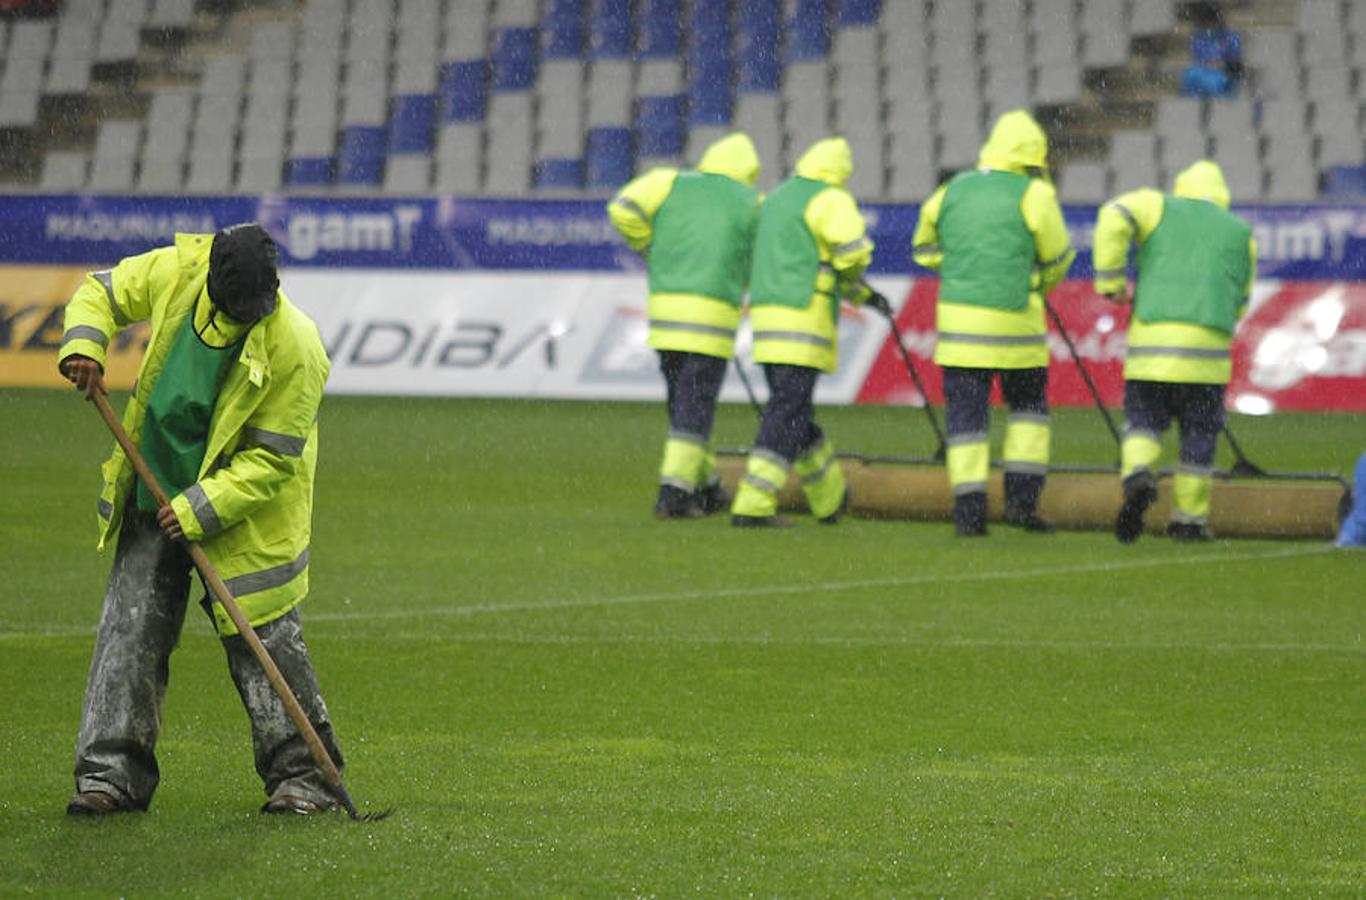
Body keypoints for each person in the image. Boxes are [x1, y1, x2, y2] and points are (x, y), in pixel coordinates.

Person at [58, 223, 344, 815]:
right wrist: (84, 345)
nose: (247, 317)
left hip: (243, 514)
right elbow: (101, 291)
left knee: (265, 643)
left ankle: (306, 780)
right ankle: (111, 777)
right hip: (152, 488)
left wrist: (196, 509)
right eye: (236, 307)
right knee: (130, 632)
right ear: (211, 280)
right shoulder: (176, 271)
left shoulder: (297, 345)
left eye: (256, 307)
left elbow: (272, 461)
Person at [911, 110, 1076, 537]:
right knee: (1027, 413)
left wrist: (962, 268)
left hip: (960, 334)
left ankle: (969, 513)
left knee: (966, 423)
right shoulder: (1035, 194)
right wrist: (1034, 281)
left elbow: (923, 247)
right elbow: (1059, 257)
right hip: (1017, 330)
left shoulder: (952, 189)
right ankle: (1022, 504)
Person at [1093, 160, 1257, 543]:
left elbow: (1113, 214)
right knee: (1199, 437)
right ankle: (1188, 522)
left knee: (1143, 424)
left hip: (1152, 353)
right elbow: (1241, 300)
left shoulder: (1157, 206)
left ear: (1181, 187)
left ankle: (1137, 476)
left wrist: (1110, 280)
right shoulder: (1240, 232)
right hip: (1207, 359)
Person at [607, 132, 762, 519]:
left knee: (682, 404)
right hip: (712, 318)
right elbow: (763, 254)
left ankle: (706, 486)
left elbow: (622, 208)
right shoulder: (752, 202)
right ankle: (674, 493)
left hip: (665, 316)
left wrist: (651, 248)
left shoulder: (669, 181)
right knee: (695, 408)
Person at [729, 135, 881, 528]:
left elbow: (793, 257)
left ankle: (829, 497)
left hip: (766, 317)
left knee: (793, 410)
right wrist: (858, 282)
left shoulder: (776, 198)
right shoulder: (831, 198)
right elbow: (852, 254)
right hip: (804, 317)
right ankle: (753, 502)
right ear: (841, 171)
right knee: (787, 412)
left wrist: (864, 296)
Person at [1181, 2, 1243, 99]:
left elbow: (1235, 61)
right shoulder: (1198, 36)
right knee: (1190, 76)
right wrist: (1208, 64)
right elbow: (1197, 56)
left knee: (1216, 84)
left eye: (1212, 21)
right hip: (1203, 71)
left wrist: (1223, 64)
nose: (1210, 25)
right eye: (1207, 22)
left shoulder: (1230, 37)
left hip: (1223, 73)